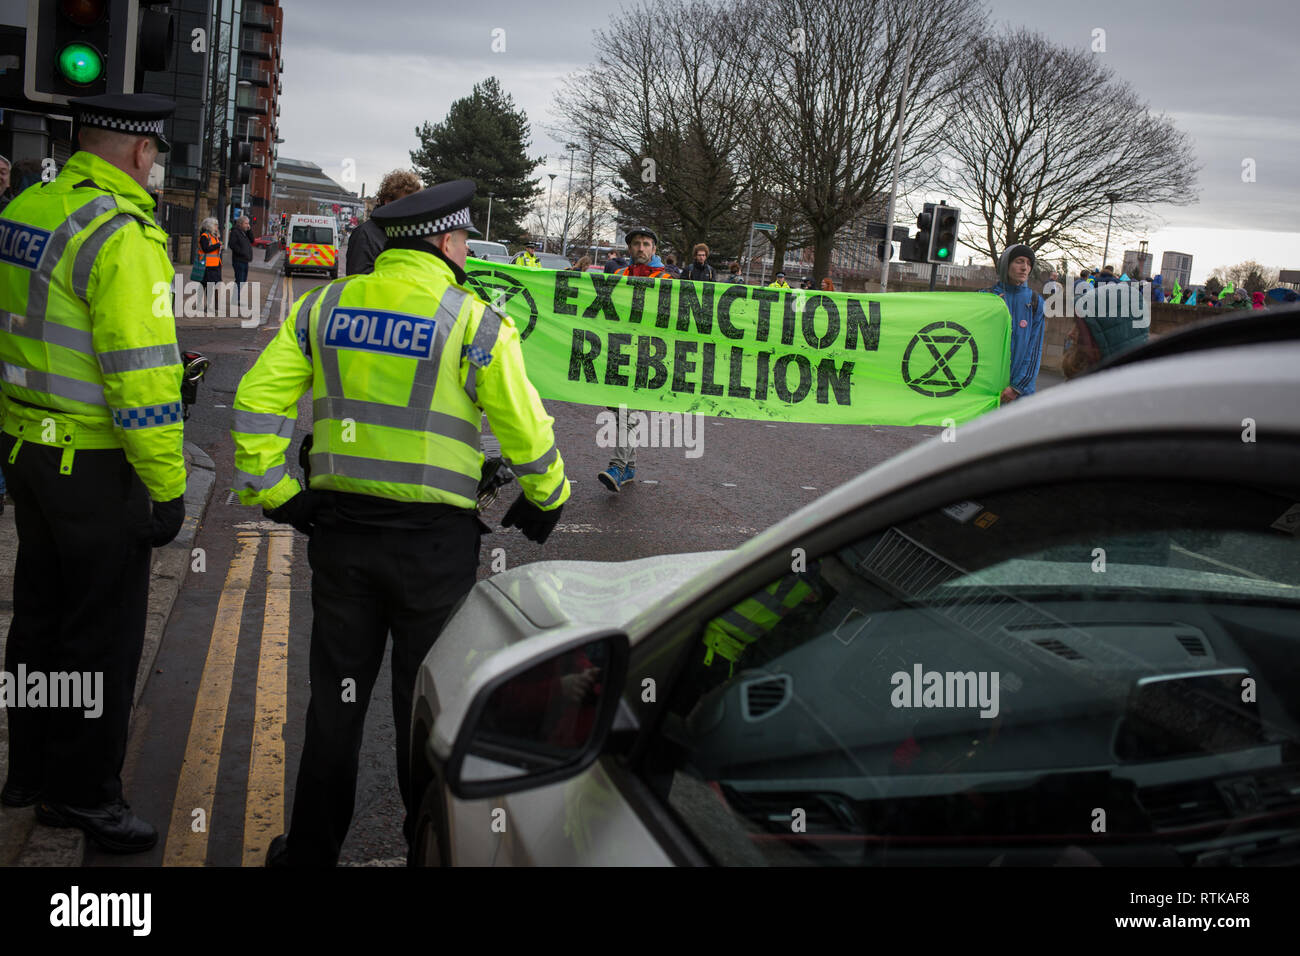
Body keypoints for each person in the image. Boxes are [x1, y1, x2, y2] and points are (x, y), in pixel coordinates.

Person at [233, 179, 569, 867]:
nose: (468, 254)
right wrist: (548, 497)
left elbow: (254, 403)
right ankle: (428, 852)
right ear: (446, 243)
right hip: (433, 552)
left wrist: (279, 495)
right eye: (465, 242)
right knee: (428, 711)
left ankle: (308, 856)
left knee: (336, 707)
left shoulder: (325, 305)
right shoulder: (474, 322)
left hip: (343, 538)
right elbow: (526, 431)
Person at [0, 93, 187, 852]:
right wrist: (168, 488)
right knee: (99, 638)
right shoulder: (125, 234)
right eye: (157, 156)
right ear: (140, 153)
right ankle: (84, 797)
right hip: (95, 465)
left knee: (38, 618)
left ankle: (29, 771)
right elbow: (140, 382)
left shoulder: (28, 209)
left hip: (26, 449)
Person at [598, 226, 670, 493]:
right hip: (617, 351)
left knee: (627, 411)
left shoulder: (665, 278)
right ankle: (629, 467)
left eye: (646, 244)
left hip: (648, 355)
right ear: (629, 248)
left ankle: (617, 467)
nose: (641, 248)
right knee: (618, 412)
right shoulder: (618, 275)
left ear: (654, 249)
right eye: (637, 243)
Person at [982, 244, 1045, 403]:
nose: (1025, 268)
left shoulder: (1035, 301)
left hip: (1020, 393)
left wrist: (1017, 387)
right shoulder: (985, 298)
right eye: (1019, 261)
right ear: (1005, 265)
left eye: (1029, 264)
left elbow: (1034, 349)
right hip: (986, 388)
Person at [346, 169, 421, 276]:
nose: (412, 209)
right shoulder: (365, 234)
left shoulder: (410, 233)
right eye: (406, 203)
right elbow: (357, 280)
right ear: (388, 202)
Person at [198, 216, 223, 313]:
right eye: (215, 225)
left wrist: (219, 246)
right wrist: (218, 245)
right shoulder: (205, 236)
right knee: (208, 286)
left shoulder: (214, 236)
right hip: (207, 266)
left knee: (214, 286)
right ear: (210, 226)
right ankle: (207, 306)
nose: (217, 227)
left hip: (215, 265)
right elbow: (206, 249)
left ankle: (211, 306)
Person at [228, 214, 253, 304]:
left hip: (245, 261)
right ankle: (235, 299)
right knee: (239, 280)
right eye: (246, 223)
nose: (247, 225)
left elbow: (252, 240)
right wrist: (242, 252)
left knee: (242, 281)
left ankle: (236, 298)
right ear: (240, 224)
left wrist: (249, 230)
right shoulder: (235, 232)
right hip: (238, 260)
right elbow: (232, 245)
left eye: (248, 223)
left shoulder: (244, 233)